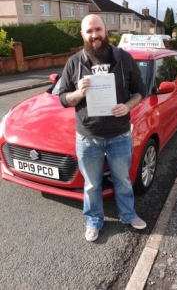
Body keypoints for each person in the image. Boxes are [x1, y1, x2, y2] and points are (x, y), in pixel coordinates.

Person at [59, 14, 147, 242]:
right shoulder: (74, 63)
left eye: (98, 29)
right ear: (82, 35)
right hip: (87, 137)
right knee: (91, 184)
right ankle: (94, 220)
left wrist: (127, 106)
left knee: (123, 180)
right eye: (89, 31)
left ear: (106, 30)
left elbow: (140, 91)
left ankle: (128, 214)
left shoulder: (124, 59)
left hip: (119, 134)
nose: (94, 35)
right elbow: (62, 98)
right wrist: (78, 93)